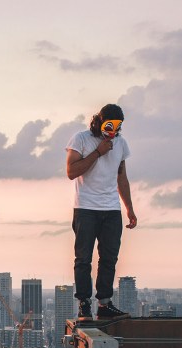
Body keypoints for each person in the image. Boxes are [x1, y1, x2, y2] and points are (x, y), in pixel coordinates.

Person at [65, 103, 137, 321]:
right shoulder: (81, 139)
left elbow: (121, 177)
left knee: (109, 258)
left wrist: (129, 209)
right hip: (86, 208)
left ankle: (104, 305)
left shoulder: (121, 144)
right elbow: (71, 171)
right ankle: (84, 305)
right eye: (109, 125)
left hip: (111, 210)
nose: (112, 131)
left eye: (117, 127)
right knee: (83, 258)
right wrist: (98, 152)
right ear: (99, 120)